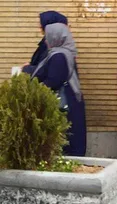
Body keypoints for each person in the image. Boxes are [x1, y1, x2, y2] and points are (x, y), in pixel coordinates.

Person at [31, 22, 87, 156]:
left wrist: (36, 87)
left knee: (67, 139)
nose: (45, 39)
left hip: (63, 102)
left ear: (55, 37)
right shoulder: (61, 53)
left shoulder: (59, 56)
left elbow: (54, 80)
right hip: (68, 100)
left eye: (48, 35)